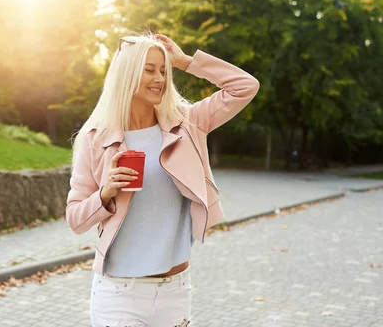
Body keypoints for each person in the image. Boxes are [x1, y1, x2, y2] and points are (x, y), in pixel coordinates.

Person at [66, 33, 260, 326]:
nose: (160, 78)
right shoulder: (96, 139)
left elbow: (245, 87)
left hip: (175, 291)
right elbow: (75, 219)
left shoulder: (188, 124)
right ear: (128, 73)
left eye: (163, 70)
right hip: (120, 294)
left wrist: (184, 61)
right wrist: (104, 194)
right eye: (149, 69)